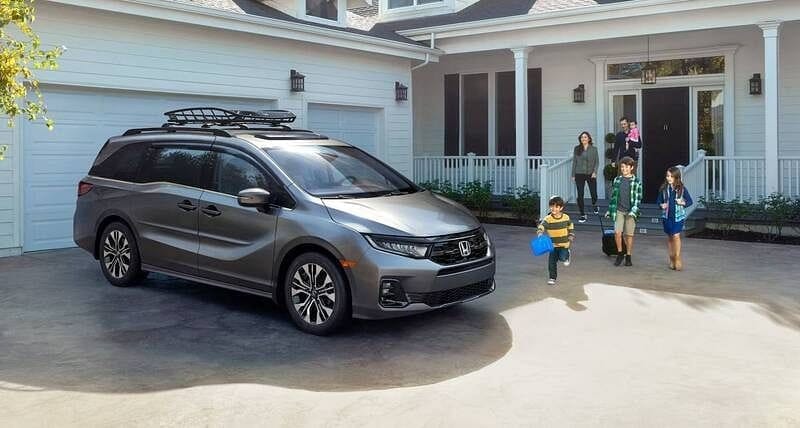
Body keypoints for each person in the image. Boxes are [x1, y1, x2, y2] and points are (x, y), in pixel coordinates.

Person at [605, 156, 642, 267]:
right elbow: (613, 198)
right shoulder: (617, 180)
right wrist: (610, 210)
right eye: (622, 167)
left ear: (631, 167)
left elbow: (638, 199)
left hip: (631, 211)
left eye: (626, 167)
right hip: (619, 211)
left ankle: (628, 256)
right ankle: (620, 253)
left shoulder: (636, 182)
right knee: (617, 233)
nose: (624, 169)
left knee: (629, 235)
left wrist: (633, 211)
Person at [656, 166, 694, 271]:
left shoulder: (682, 189)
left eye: (671, 176)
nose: (669, 178)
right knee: (670, 238)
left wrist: (682, 202)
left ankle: (677, 258)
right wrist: (661, 205)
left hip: (678, 217)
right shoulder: (664, 189)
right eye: (667, 176)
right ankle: (671, 258)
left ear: (676, 177)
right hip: (667, 217)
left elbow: (690, 201)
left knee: (676, 236)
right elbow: (658, 201)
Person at [537, 196, 575, 285]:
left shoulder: (565, 217)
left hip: (564, 244)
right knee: (551, 262)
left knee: (562, 258)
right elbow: (542, 226)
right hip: (553, 245)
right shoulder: (548, 219)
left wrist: (571, 234)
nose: (553, 208)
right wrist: (540, 232)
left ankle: (567, 255)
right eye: (551, 206)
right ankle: (552, 277)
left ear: (561, 208)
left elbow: (570, 225)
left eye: (556, 207)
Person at [571, 131, 599, 223]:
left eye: (585, 137)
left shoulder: (594, 149)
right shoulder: (577, 148)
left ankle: (594, 204)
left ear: (589, 139)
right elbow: (574, 161)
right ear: (580, 139)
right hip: (579, 174)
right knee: (580, 194)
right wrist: (573, 174)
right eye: (582, 137)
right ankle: (582, 214)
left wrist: (595, 172)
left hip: (591, 174)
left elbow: (597, 162)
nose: (583, 138)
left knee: (593, 193)